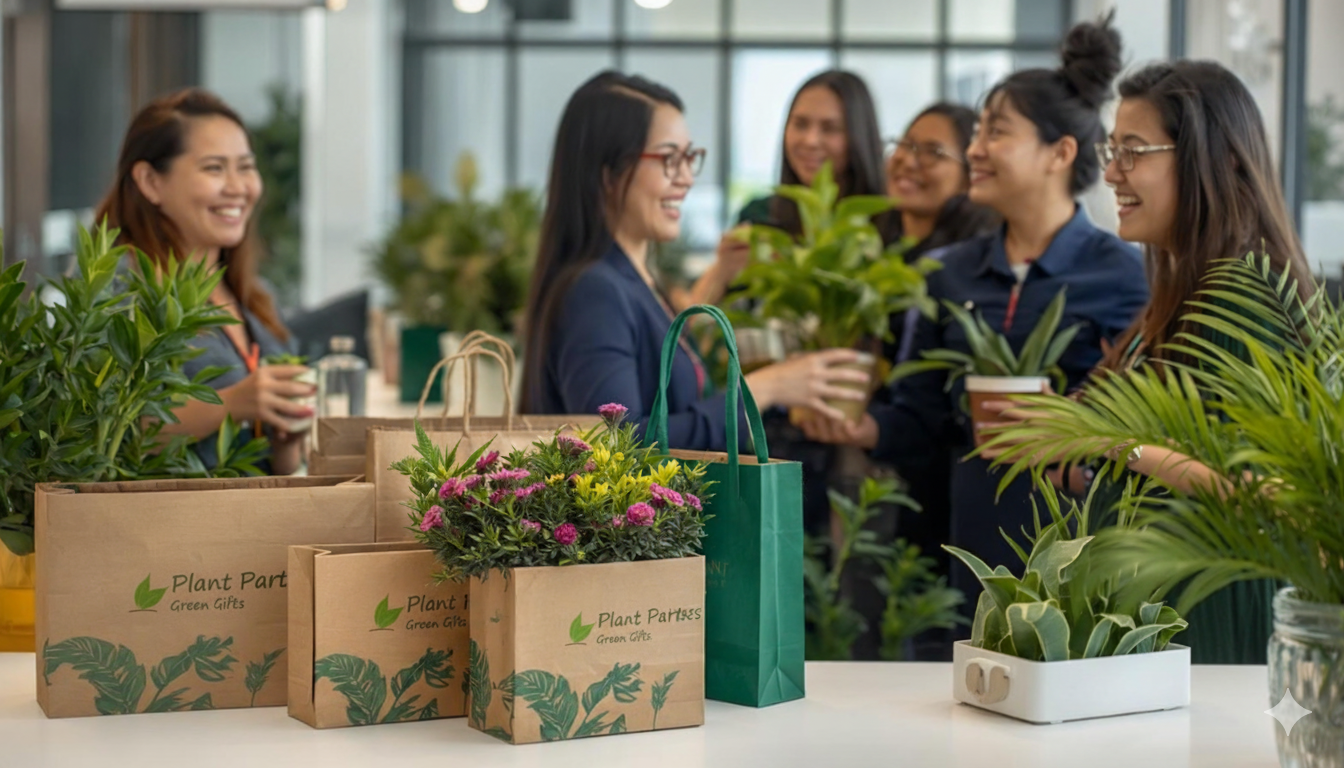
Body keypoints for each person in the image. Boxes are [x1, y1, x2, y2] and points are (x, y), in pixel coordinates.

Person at [800, 15, 1149, 611]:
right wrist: (861, 427)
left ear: (1060, 152)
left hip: (1080, 549)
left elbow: (1140, 425)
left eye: (996, 133)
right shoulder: (947, 272)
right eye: (978, 131)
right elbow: (918, 415)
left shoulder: (1123, 275)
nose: (974, 150)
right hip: (966, 546)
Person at [982, 60, 1313, 664]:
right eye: (1112, 151)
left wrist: (1101, 438)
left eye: (1133, 152)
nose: (1111, 173)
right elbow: (1172, 457)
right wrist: (1081, 459)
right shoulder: (1183, 291)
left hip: (1208, 618)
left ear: (1219, 160)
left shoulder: (1244, 293)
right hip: (1164, 614)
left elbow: (1262, 491)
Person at [521, 71, 867, 451]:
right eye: (669, 159)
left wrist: (721, 276)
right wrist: (764, 388)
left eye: (689, 158)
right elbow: (617, 444)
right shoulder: (595, 291)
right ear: (607, 170)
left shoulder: (636, 280)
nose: (686, 178)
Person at [95, 88, 311, 475]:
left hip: (261, 509)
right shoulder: (120, 290)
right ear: (150, 181)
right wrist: (232, 403)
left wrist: (287, 442)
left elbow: (277, 465)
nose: (238, 187)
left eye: (246, 167)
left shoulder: (254, 295)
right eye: (214, 168)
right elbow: (107, 434)